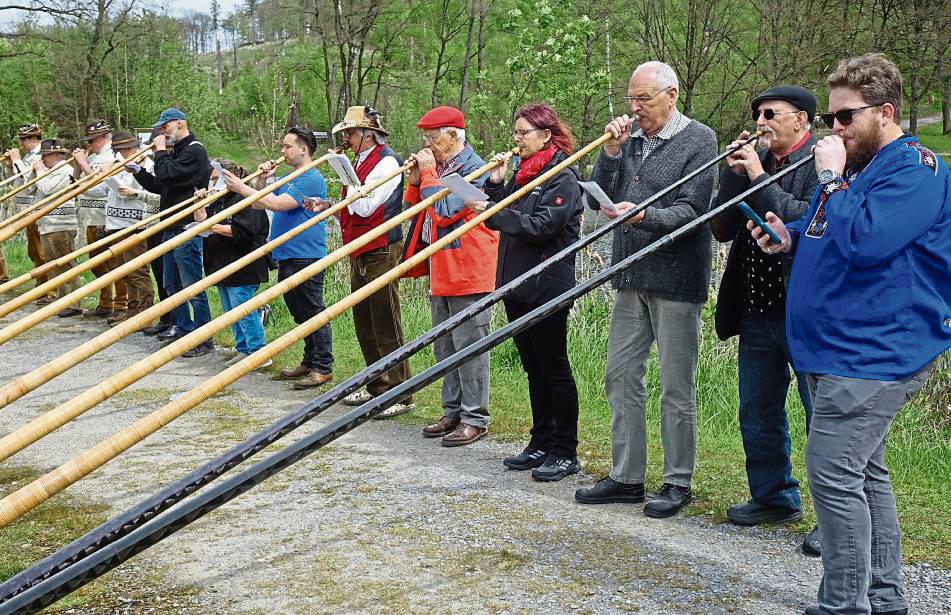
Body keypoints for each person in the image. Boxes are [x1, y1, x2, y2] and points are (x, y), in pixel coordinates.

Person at [748, 53, 950, 615]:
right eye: (831, 119)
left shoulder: (915, 171)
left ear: (885, 112)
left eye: (844, 118)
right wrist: (787, 235)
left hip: (874, 354)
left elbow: (866, 240)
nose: (832, 129)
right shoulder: (860, 167)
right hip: (836, 349)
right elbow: (827, 223)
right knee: (864, 474)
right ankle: (884, 597)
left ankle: (844, 603)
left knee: (834, 477)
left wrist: (831, 175)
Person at [574, 61, 717, 518]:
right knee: (620, 375)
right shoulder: (629, 138)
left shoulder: (700, 140)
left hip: (676, 278)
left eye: (645, 100)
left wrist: (645, 217)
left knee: (676, 386)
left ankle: (678, 481)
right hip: (630, 275)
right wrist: (612, 153)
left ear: (671, 95)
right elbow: (599, 197)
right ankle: (627, 476)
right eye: (631, 99)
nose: (635, 109)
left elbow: (691, 211)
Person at [710, 85, 821, 550]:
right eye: (757, 114)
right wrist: (734, 172)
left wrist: (757, 174)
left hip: (806, 311)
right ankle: (775, 496)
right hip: (757, 308)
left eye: (771, 113)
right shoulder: (758, 161)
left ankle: (835, 515)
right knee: (758, 409)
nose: (761, 122)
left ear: (802, 120)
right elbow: (720, 228)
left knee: (822, 415)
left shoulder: (822, 160)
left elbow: (806, 216)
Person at [467, 103, 583, 481]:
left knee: (554, 366)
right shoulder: (525, 172)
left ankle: (565, 449)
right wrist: (497, 184)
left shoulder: (562, 174)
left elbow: (541, 226)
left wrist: (493, 210)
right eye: (515, 133)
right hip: (517, 282)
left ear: (545, 135)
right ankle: (540, 440)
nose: (516, 140)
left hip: (547, 284)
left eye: (523, 133)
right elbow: (509, 209)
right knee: (532, 366)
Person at [402, 106, 498, 445]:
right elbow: (416, 211)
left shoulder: (476, 168)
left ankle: (475, 417)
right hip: (441, 266)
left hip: (469, 267)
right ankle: (453, 410)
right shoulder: (440, 168)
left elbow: (444, 211)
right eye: (425, 138)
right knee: (445, 345)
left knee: (470, 346)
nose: (427, 145)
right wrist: (415, 181)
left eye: (433, 137)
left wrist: (427, 176)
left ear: (454, 135)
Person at [319, 105, 413, 415]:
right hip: (360, 246)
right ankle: (377, 385)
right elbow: (352, 206)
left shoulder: (387, 162)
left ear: (368, 134)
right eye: (345, 133)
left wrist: (349, 186)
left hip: (381, 247)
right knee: (365, 321)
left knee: (386, 320)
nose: (346, 137)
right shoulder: (358, 161)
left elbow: (365, 208)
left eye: (350, 132)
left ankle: (402, 392)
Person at [223, 127, 333, 389]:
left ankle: (323, 366)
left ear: (303, 149)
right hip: (287, 254)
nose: (282, 151)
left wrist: (241, 187)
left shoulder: (311, 178)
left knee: (312, 311)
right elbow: (260, 203)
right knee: (299, 313)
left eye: (287, 146)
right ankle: (309, 360)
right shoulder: (288, 177)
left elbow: (277, 205)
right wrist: (261, 181)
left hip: (306, 255)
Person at [134, 108, 214, 357]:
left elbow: (168, 173)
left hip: (186, 227)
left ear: (180, 124)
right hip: (170, 226)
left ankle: (203, 337)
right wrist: (139, 173)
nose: (162, 132)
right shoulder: (178, 152)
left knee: (192, 287)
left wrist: (158, 153)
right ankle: (182, 328)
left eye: (165, 127)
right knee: (171, 283)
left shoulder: (195, 151)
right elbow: (162, 185)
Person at [196, 159, 271, 369]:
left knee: (242, 308)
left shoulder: (244, 197)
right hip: (220, 262)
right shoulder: (217, 200)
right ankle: (243, 348)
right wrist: (199, 203)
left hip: (243, 262)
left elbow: (248, 231)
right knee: (230, 310)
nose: (212, 184)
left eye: (214, 179)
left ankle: (258, 352)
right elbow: (201, 221)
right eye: (211, 180)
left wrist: (215, 227)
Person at [103, 130, 159, 328]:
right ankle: (132, 308)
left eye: (122, 150)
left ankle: (144, 312)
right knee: (124, 271)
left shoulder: (148, 165)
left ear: (131, 148)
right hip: (116, 223)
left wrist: (107, 174)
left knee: (137, 270)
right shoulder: (121, 164)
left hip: (133, 224)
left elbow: (125, 191)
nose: (119, 154)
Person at [74, 120, 124, 318]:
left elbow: (102, 184)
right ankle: (106, 301)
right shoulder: (94, 156)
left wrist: (85, 165)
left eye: (92, 140)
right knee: (96, 263)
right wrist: (79, 165)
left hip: (105, 217)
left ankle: (121, 303)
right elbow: (80, 183)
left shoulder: (112, 156)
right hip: (90, 217)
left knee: (113, 263)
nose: (90, 144)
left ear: (104, 137)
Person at [31, 139, 82, 318]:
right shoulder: (47, 170)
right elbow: (31, 190)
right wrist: (36, 172)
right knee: (54, 265)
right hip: (47, 224)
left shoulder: (65, 170)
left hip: (61, 224)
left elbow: (46, 189)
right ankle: (61, 300)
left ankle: (74, 303)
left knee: (66, 264)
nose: (43, 159)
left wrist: (39, 171)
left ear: (56, 154)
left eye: (45, 155)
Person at [3, 124, 51, 301]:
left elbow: (30, 181)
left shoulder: (42, 155)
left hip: (36, 208)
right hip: (25, 210)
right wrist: (10, 166)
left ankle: (47, 288)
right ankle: (41, 284)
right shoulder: (29, 156)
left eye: (23, 139)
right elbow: (18, 181)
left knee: (41, 250)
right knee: (33, 251)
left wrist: (16, 160)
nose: (20, 143)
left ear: (33, 139)